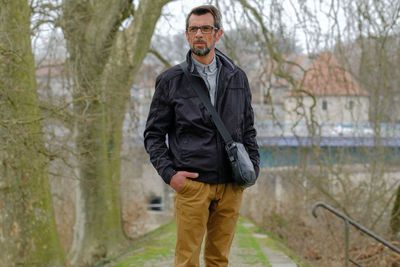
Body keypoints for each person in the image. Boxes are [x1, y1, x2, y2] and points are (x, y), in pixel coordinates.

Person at [144, 4, 259, 267]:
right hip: (192, 186)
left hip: (231, 186)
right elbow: (153, 135)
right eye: (193, 29)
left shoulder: (238, 78)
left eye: (205, 28)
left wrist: (253, 167)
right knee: (186, 261)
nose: (199, 34)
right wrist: (171, 176)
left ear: (217, 34)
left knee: (219, 260)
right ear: (186, 35)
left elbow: (248, 129)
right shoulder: (170, 80)